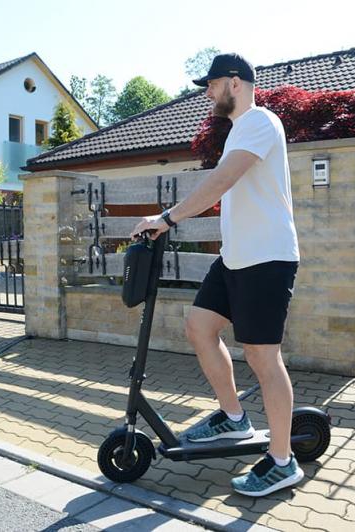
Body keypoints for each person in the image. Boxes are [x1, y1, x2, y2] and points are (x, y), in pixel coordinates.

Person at [130, 53, 301, 497]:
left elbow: (223, 181)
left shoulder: (261, 121)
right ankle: (234, 418)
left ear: (235, 82)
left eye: (210, 84)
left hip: (267, 258)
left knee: (264, 358)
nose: (206, 92)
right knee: (198, 326)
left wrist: (166, 218)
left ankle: (283, 462)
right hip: (236, 258)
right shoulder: (239, 130)